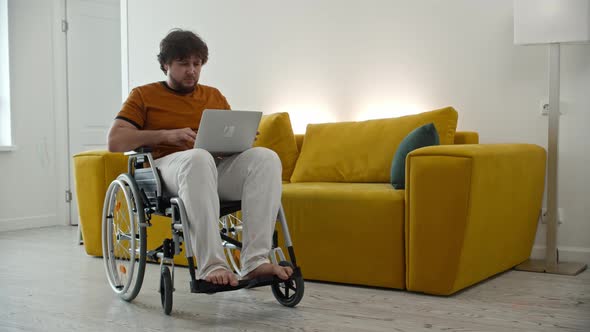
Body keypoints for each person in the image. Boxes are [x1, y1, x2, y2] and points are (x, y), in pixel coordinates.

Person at [107, 29, 292, 287]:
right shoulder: (143, 95)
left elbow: (225, 141)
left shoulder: (213, 95)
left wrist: (238, 141)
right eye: (183, 64)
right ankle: (211, 265)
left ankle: (255, 262)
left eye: (197, 64)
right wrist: (167, 136)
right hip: (166, 171)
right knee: (197, 158)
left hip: (210, 168)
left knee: (266, 158)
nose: (191, 70)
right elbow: (115, 141)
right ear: (165, 65)